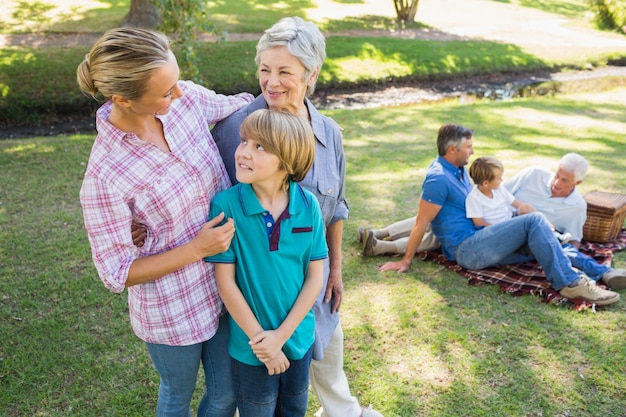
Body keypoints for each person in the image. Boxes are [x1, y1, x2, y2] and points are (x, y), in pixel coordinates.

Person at [211, 17, 384, 417]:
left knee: (323, 360)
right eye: (265, 70)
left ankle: (344, 412)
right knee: (251, 390)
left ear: (311, 75)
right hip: (253, 293)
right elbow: (215, 197)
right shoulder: (236, 127)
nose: (271, 83)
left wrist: (335, 271)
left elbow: (336, 206)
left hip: (311, 277)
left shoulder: (329, 133)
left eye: (284, 72)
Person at [77, 27, 254, 417]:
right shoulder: (105, 175)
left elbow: (238, 105)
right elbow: (115, 273)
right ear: (123, 98)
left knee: (226, 395)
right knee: (177, 396)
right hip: (172, 307)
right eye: (165, 92)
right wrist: (196, 249)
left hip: (228, 284)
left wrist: (295, 111)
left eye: (175, 82)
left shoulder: (184, 99)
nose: (179, 93)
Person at [377, 124, 620, 306]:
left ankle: (592, 276)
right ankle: (569, 284)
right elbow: (421, 222)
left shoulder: (459, 170)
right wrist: (405, 260)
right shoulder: (439, 178)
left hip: (483, 240)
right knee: (533, 221)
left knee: (544, 237)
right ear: (452, 149)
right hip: (468, 249)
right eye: (468, 147)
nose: (472, 151)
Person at [206, 109, 326, 417]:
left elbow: (315, 277)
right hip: (251, 348)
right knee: (257, 411)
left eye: (259, 146)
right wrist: (264, 344)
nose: (243, 151)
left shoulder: (309, 205)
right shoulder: (226, 205)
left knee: (294, 409)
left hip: (297, 339)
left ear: (287, 161)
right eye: (245, 141)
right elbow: (226, 283)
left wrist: (281, 338)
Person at [504, 152, 626, 289]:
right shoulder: (533, 175)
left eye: (565, 180)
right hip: (503, 229)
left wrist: (564, 261)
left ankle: (605, 274)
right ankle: (597, 274)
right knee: (543, 230)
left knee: (559, 245)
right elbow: (499, 193)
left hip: (532, 244)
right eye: (557, 175)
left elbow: (574, 240)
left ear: (577, 182)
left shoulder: (577, 206)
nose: (556, 183)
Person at [466, 156, 572, 243]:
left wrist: (538, 216)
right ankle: (550, 237)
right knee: (530, 225)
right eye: (498, 178)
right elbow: (479, 223)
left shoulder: (498, 189)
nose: (502, 180)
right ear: (485, 183)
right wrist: (499, 229)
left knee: (526, 207)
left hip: (510, 219)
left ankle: (552, 232)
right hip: (498, 229)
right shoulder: (474, 199)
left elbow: (517, 204)